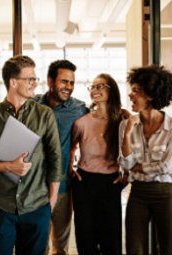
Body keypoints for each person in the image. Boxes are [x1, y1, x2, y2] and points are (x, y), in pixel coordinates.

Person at [0, 55, 64, 255]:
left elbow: (56, 160)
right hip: (2, 206)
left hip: (37, 206)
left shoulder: (45, 114)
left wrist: (51, 202)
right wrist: (8, 166)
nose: (35, 84)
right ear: (13, 82)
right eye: (30, 79)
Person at [69, 73, 128, 255]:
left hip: (110, 183)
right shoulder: (82, 122)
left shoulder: (123, 120)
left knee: (111, 239)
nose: (95, 90)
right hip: (84, 182)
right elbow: (71, 147)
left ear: (112, 90)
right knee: (86, 238)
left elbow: (133, 151)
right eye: (92, 87)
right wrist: (71, 168)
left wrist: (127, 175)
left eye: (100, 86)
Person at [34, 60, 88, 255]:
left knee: (61, 247)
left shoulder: (79, 109)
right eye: (64, 81)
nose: (69, 87)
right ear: (50, 81)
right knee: (38, 246)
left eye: (72, 83)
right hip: (34, 189)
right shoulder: (31, 105)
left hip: (64, 188)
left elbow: (101, 121)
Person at [118, 65, 172, 255]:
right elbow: (125, 164)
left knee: (167, 247)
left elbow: (167, 166)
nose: (130, 95)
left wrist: (137, 167)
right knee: (134, 248)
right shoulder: (126, 125)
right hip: (138, 193)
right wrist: (127, 134)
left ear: (150, 94)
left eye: (135, 91)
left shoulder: (171, 127)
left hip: (166, 193)